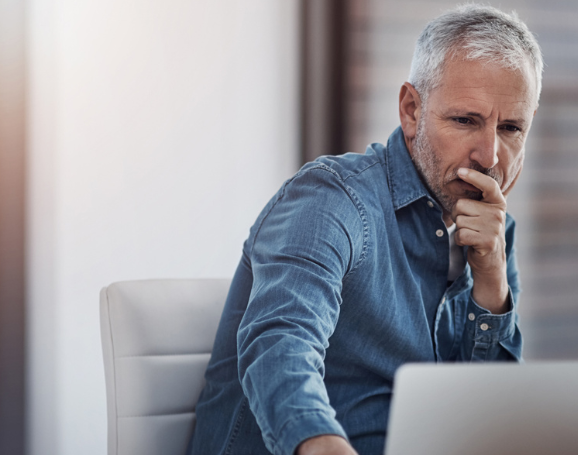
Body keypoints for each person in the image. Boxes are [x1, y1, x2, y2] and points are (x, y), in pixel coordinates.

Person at [188, 5, 543, 455]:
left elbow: (491, 423)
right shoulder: (330, 199)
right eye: (465, 121)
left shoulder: (494, 232)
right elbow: (281, 343)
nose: (490, 155)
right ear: (412, 111)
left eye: (511, 127)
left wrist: (491, 283)